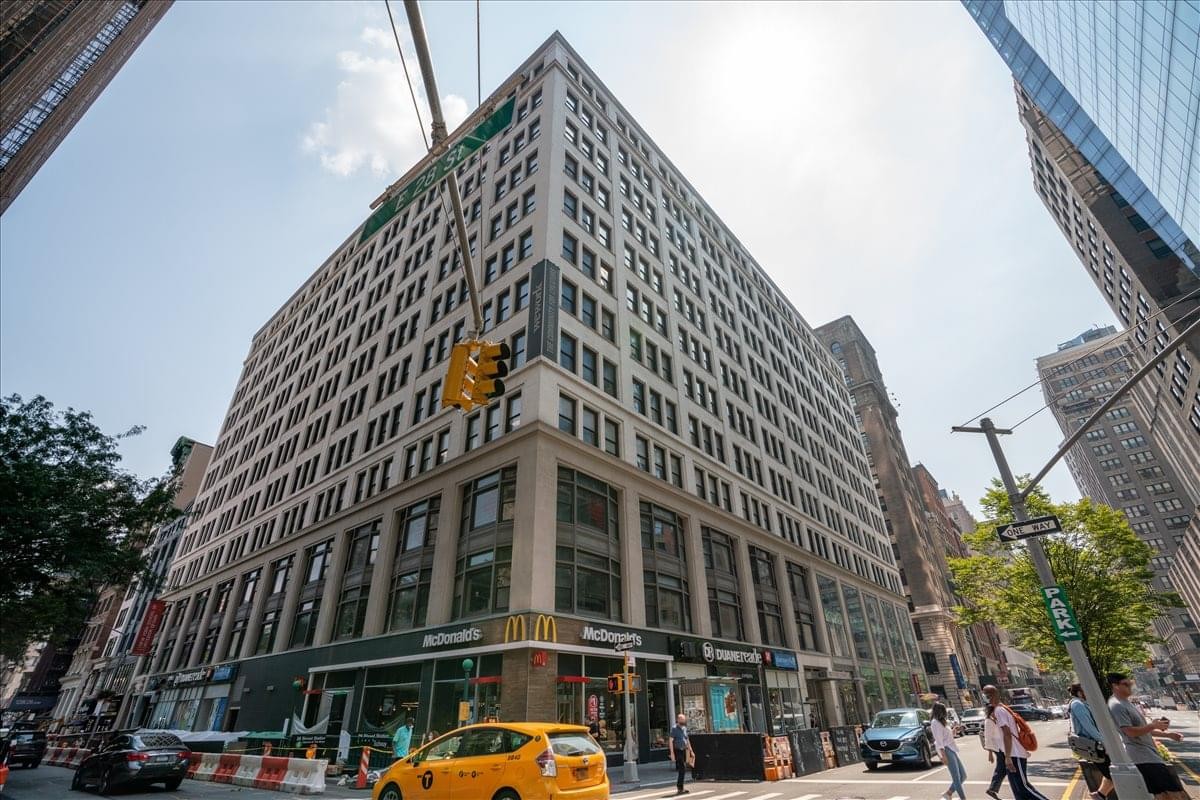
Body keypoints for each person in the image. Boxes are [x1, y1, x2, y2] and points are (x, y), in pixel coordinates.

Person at [1107, 673, 1191, 800]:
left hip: (1149, 755)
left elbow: (1142, 729)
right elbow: (1129, 731)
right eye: (1126, 684)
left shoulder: (1126, 703)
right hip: (1142, 757)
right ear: (1115, 686)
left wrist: (1168, 735)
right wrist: (1152, 725)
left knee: (1163, 795)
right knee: (1174, 794)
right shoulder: (1116, 705)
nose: (1130, 687)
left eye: (1130, 684)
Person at [983, 684, 1050, 800]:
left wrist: (1007, 757)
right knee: (1017, 790)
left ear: (990, 696)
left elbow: (1007, 734)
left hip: (1014, 754)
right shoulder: (1000, 709)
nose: (983, 697)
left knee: (1023, 787)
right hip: (1011, 754)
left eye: (984, 694)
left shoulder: (999, 710)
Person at [1067, 683, 1114, 800]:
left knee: (1111, 773)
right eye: (1086, 690)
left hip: (1097, 743)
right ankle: (1099, 795)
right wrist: (1105, 743)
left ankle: (1099, 795)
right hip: (1095, 745)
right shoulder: (1077, 704)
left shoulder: (1082, 703)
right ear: (1079, 692)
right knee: (1113, 773)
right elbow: (1088, 727)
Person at [932, 702, 966, 800]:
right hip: (946, 750)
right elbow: (939, 741)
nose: (946, 712)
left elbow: (947, 736)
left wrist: (955, 730)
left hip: (951, 749)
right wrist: (943, 756)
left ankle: (948, 793)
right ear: (939, 711)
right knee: (956, 778)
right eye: (944, 710)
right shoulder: (935, 722)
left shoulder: (942, 721)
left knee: (963, 776)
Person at [668, 713, 694, 795]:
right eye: (682, 719)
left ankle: (681, 787)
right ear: (678, 720)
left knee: (683, 769)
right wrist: (672, 753)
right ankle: (680, 788)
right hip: (678, 750)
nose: (683, 721)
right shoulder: (674, 728)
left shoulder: (684, 728)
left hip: (684, 750)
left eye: (684, 719)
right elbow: (670, 741)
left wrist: (691, 751)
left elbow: (687, 740)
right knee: (682, 768)